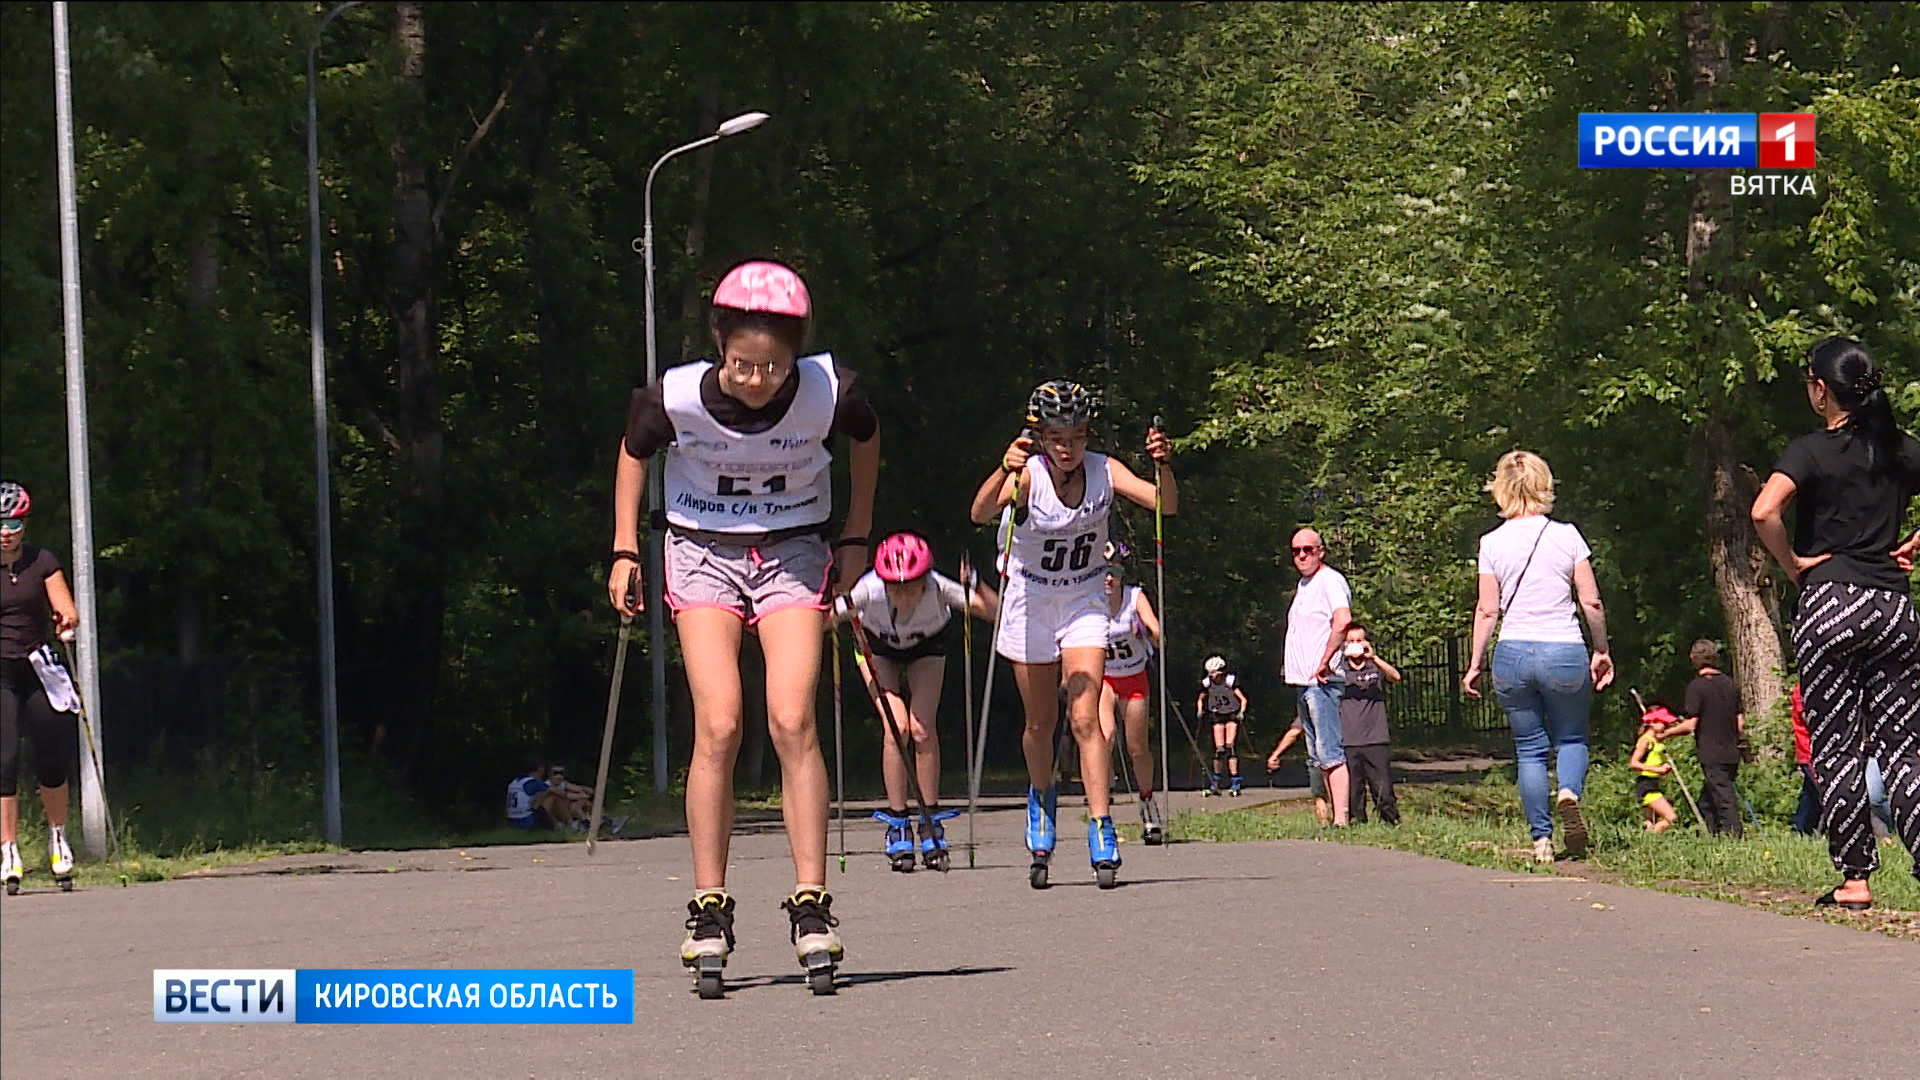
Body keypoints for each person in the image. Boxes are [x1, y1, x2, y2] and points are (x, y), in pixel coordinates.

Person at [610, 259, 878, 989]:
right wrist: (626, 548)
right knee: (721, 724)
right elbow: (634, 454)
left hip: (792, 551)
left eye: (772, 369)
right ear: (717, 345)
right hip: (702, 553)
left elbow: (867, 438)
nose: (757, 382)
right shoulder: (675, 397)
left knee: (792, 719)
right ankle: (707, 905)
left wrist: (855, 536)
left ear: (797, 356)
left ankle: (812, 901)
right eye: (741, 366)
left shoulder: (830, 391)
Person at [969, 380, 1175, 889]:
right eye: (1057, 437)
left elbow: (1163, 506)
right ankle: (1042, 800)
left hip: (1083, 599)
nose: (1067, 447)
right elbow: (978, 513)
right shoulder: (1029, 475)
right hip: (1030, 600)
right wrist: (1005, 468)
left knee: (1086, 716)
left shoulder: (1105, 470)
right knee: (1041, 723)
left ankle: (1102, 823)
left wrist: (1163, 465)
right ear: (1040, 436)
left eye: (1077, 436)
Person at [1751, 336, 1920, 910]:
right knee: (1904, 748)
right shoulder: (1899, 449)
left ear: (1821, 390)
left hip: (1830, 605)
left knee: (1838, 746)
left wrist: (1793, 564)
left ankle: (1855, 879)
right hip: (1893, 609)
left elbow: (1763, 510)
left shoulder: (1810, 451)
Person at [1462, 451, 1614, 864]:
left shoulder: (1491, 543)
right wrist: (1601, 650)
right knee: (1571, 737)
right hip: (1563, 649)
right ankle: (1568, 791)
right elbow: (1592, 601)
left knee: (1528, 749)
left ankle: (1541, 840)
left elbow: (1487, 609)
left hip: (1512, 652)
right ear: (1544, 484)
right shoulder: (1566, 536)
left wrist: (1475, 662)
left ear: (1501, 489)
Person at [836, 531, 997, 871]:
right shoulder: (868, 589)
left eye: (912, 586)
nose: (904, 595)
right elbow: (824, 618)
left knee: (922, 729)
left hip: (928, 648)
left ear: (925, 578)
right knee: (897, 726)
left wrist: (977, 583)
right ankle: (898, 823)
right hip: (876, 649)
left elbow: (992, 612)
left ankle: (929, 818)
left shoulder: (939, 588)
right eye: (896, 587)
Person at [1, 482, 81, 894]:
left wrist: (66, 620)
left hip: (36, 664)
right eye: (0, 523)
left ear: (24, 524)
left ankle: (57, 837)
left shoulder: (41, 561)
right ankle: (9, 849)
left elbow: (65, 607)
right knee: (5, 757)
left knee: (51, 752)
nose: (5, 531)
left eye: (13, 522)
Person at [1282, 528, 1352, 825]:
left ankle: (1342, 818)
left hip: (1321, 682)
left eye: (1308, 549)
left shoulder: (1330, 580)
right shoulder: (1304, 584)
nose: (1301, 555)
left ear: (1320, 552)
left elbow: (1343, 619)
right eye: (1296, 550)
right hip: (1304, 682)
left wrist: (1325, 661)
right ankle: (1328, 816)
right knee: (1316, 752)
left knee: (1329, 749)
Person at [1099, 541, 1163, 839]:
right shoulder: (1090, 599)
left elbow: (1158, 635)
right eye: (1103, 572)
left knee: (1137, 748)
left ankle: (1147, 801)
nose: (1109, 578)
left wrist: (1145, 631)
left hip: (1134, 676)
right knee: (1105, 737)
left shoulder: (1133, 597)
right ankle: (1102, 810)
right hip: (1105, 679)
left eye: (1115, 571)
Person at [1663, 640, 1746, 838]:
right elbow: (1740, 722)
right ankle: (1710, 835)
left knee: (1724, 797)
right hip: (1732, 751)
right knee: (1707, 800)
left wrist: (1665, 733)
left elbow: (1691, 724)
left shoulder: (1696, 687)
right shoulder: (1730, 684)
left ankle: (1735, 836)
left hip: (1711, 752)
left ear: (1694, 660)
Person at [1339, 624, 1401, 825]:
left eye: (1360, 640)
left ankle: (1390, 821)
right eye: (1350, 641)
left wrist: (1373, 657)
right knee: (1353, 788)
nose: (1355, 645)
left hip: (1376, 738)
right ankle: (1357, 823)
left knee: (1382, 786)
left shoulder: (1375, 667)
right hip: (1348, 739)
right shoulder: (1339, 670)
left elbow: (1396, 677)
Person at [1196, 656, 1248, 796]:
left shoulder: (1230, 682)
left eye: (1216, 674)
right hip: (1217, 714)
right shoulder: (1207, 683)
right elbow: (1201, 698)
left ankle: (1235, 780)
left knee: (1230, 745)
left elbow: (1242, 699)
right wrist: (1200, 710)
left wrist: (1241, 712)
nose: (1213, 678)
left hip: (1231, 713)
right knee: (1219, 748)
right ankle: (1216, 781)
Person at [1266, 719, 1330, 825]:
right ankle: (1344, 821)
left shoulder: (1310, 707)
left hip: (1318, 757)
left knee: (1319, 795)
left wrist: (1275, 754)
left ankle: (1324, 823)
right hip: (1344, 753)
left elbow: (1294, 732)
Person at [1627, 706, 1679, 833]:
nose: (1666, 726)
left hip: (1654, 782)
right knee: (1671, 817)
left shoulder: (1655, 740)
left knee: (1651, 822)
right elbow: (1634, 763)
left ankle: (1647, 845)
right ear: (1653, 722)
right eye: (1664, 723)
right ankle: (1653, 837)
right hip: (1647, 784)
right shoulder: (1645, 741)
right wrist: (1658, 769)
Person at [1790, 683, 1819, 836]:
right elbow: (1807, 717)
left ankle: (1800, 829)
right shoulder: (1801, 690)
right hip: (1808, 750)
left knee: (1810, 795)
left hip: (1821, 750)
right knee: (1822, 791)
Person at [505, 758, 558, 831]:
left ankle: (556, 825)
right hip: (526, 821)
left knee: (541, 796)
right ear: (540, 768)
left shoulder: (514, 782)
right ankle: (568, 824)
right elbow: (558, 792)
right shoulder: (533, 782)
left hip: (511, 820)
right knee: (551, 797)